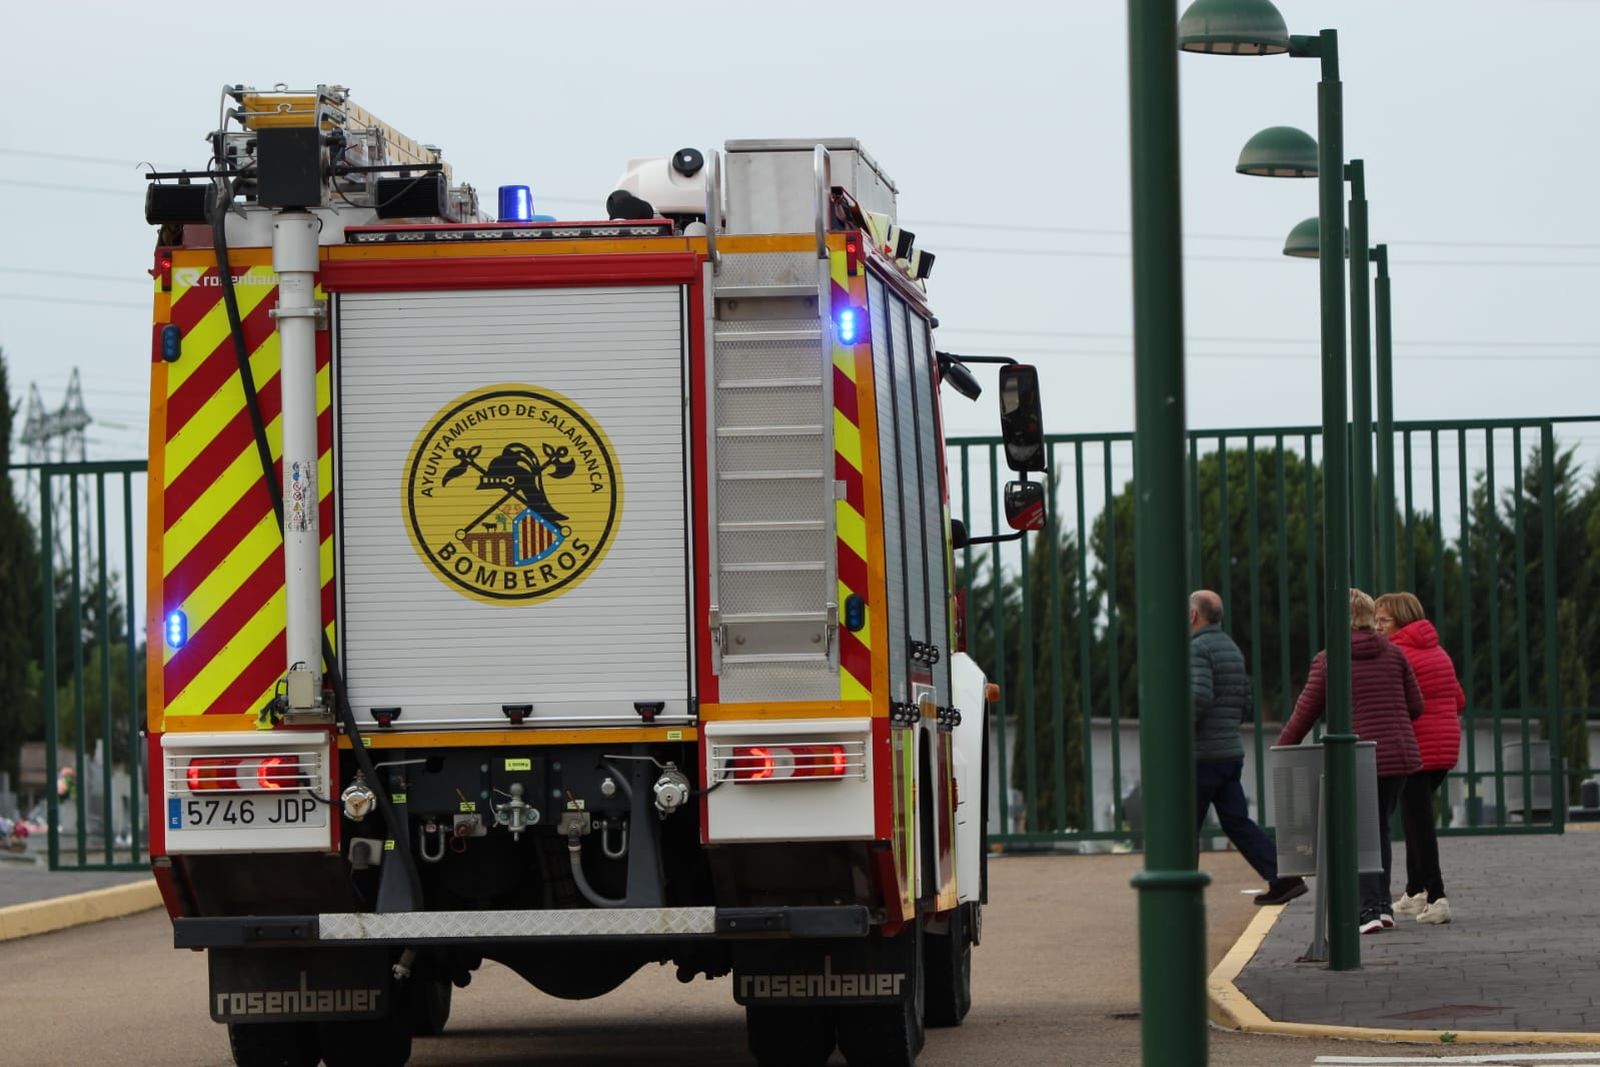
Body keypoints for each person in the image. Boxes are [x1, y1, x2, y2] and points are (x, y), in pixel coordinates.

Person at [1277, 589, 1423, 935]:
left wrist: (1283, 747)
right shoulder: (1395, 653)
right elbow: (1416, 705)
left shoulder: (1331, 658)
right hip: (1398, 757)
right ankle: (1383, 906)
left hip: (1358, 757)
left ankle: (1368, 909)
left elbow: (1305, 712)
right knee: (1379, 829)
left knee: (1358, 832)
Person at [1189, 590, 1306, 906]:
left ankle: (1180, 894)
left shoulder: (1198, 649)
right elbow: (1246, 702)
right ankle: (1283, 877)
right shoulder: (1232, 649)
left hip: (1202, 755)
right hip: (1229, 752)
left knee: (1183, 827)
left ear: (1193, 616)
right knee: (1236, 821)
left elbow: (1198, 696)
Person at [1376, 592, 1465, 926]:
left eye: (1384, 620)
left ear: (1400, 620)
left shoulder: (1398, 653)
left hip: (1416, 748)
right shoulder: (1438, 651)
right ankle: (1415, 891)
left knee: (1420, 825)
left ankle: (1437, 895)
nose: (1379, 627)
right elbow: (1460, 698)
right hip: (1444, 748)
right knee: (1415, 819)